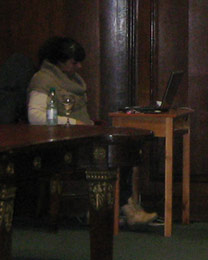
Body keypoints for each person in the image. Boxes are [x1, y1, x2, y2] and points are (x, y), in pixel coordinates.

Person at [27, 36, 157, 226]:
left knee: (124, 149)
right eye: (74, 62)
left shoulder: (72, 79)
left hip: (81, 135)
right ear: (59, 60)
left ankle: (122, 206)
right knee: (114, 153)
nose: (79, 66)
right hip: (62, 144)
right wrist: (73, 123)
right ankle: (119, 209)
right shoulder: (43, 79)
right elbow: (35, 117)